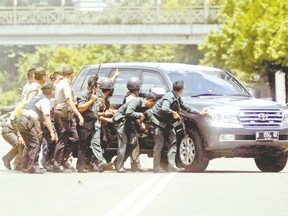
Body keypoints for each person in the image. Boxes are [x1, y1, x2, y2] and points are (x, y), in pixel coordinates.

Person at [146, 80, 209, 173]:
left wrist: (199, 112)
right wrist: (173, 112)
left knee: (173, 141)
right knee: (159, 144)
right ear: (181, 89)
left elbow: (186, 107)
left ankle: (172, 166)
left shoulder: (177, 97)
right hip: (157, 121)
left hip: (166, 121)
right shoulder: (169, 96)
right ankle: (156, 167)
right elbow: (164, 108)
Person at [17, 83, 56, 174]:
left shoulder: (37, 97)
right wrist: (52, 132)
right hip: (28, 121)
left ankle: (24, 165)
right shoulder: (45, 100)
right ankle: (31, 167)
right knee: (35, 144)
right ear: (51, 91)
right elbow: (46, 117)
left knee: (30, 144)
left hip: (22, 120)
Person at [113, 92, 157, 173]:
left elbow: (148, 116)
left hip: (129, 123)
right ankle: (119, 166)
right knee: (123, 143)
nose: (152, 106)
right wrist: (139, 115)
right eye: (153, 104)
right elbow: (128, 113)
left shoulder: (146, 107)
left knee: (133, 143)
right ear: (150, 101)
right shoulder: (136, 101)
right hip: (121, 121)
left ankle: (118, 161)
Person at [53, 66, 84, 172]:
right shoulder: (65, 85)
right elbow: (69, 101)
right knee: (62, 139)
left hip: (65, 114)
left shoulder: (60, 84)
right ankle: (57, 164)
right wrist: (79, 115)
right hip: (62, 113)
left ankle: (64, 160)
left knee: (74, 138)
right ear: (71, 74)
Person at [90, 77, 115, 172]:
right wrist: (106, 117)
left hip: (99, 124)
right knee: (96, 144)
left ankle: (96, 163)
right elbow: (95, 114)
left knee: (102, 142)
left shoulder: (103, 98)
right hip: (94, 124)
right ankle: (101, 162)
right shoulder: (100, 99)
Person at [76, 75, 99, 172]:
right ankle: (80, 167)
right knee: (83, 145)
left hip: (92, 123)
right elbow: (81, 108)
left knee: (92, 144)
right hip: (85, 123)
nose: (100, 85)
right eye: (98, 83)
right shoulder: (84, 94)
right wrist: (91, 100)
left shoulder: (94, 93)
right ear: (94, 84)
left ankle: (89, 164)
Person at [123, 77, 146, 172]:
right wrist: (140, 121)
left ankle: (135, 164)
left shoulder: (130, 97)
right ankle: (135, 164)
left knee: (134, 143)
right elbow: (130, 113)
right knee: (133, 144)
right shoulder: (131, 98)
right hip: (128, 124)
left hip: (131, 124)